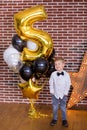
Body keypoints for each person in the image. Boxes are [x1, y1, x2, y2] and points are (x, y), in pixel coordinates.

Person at [49, 57, 71, 127]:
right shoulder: (53, 74)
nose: (57, 65)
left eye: (59, 64)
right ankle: (54, 119)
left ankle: (64, 119)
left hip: (63, 94)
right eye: (56, 64)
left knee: (63, 107)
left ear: (63, 65)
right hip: (54, 94)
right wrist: (51, 90)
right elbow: (51, 83)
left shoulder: (66, 74)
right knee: (55, 107)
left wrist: (66, 92)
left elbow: (68, 84)